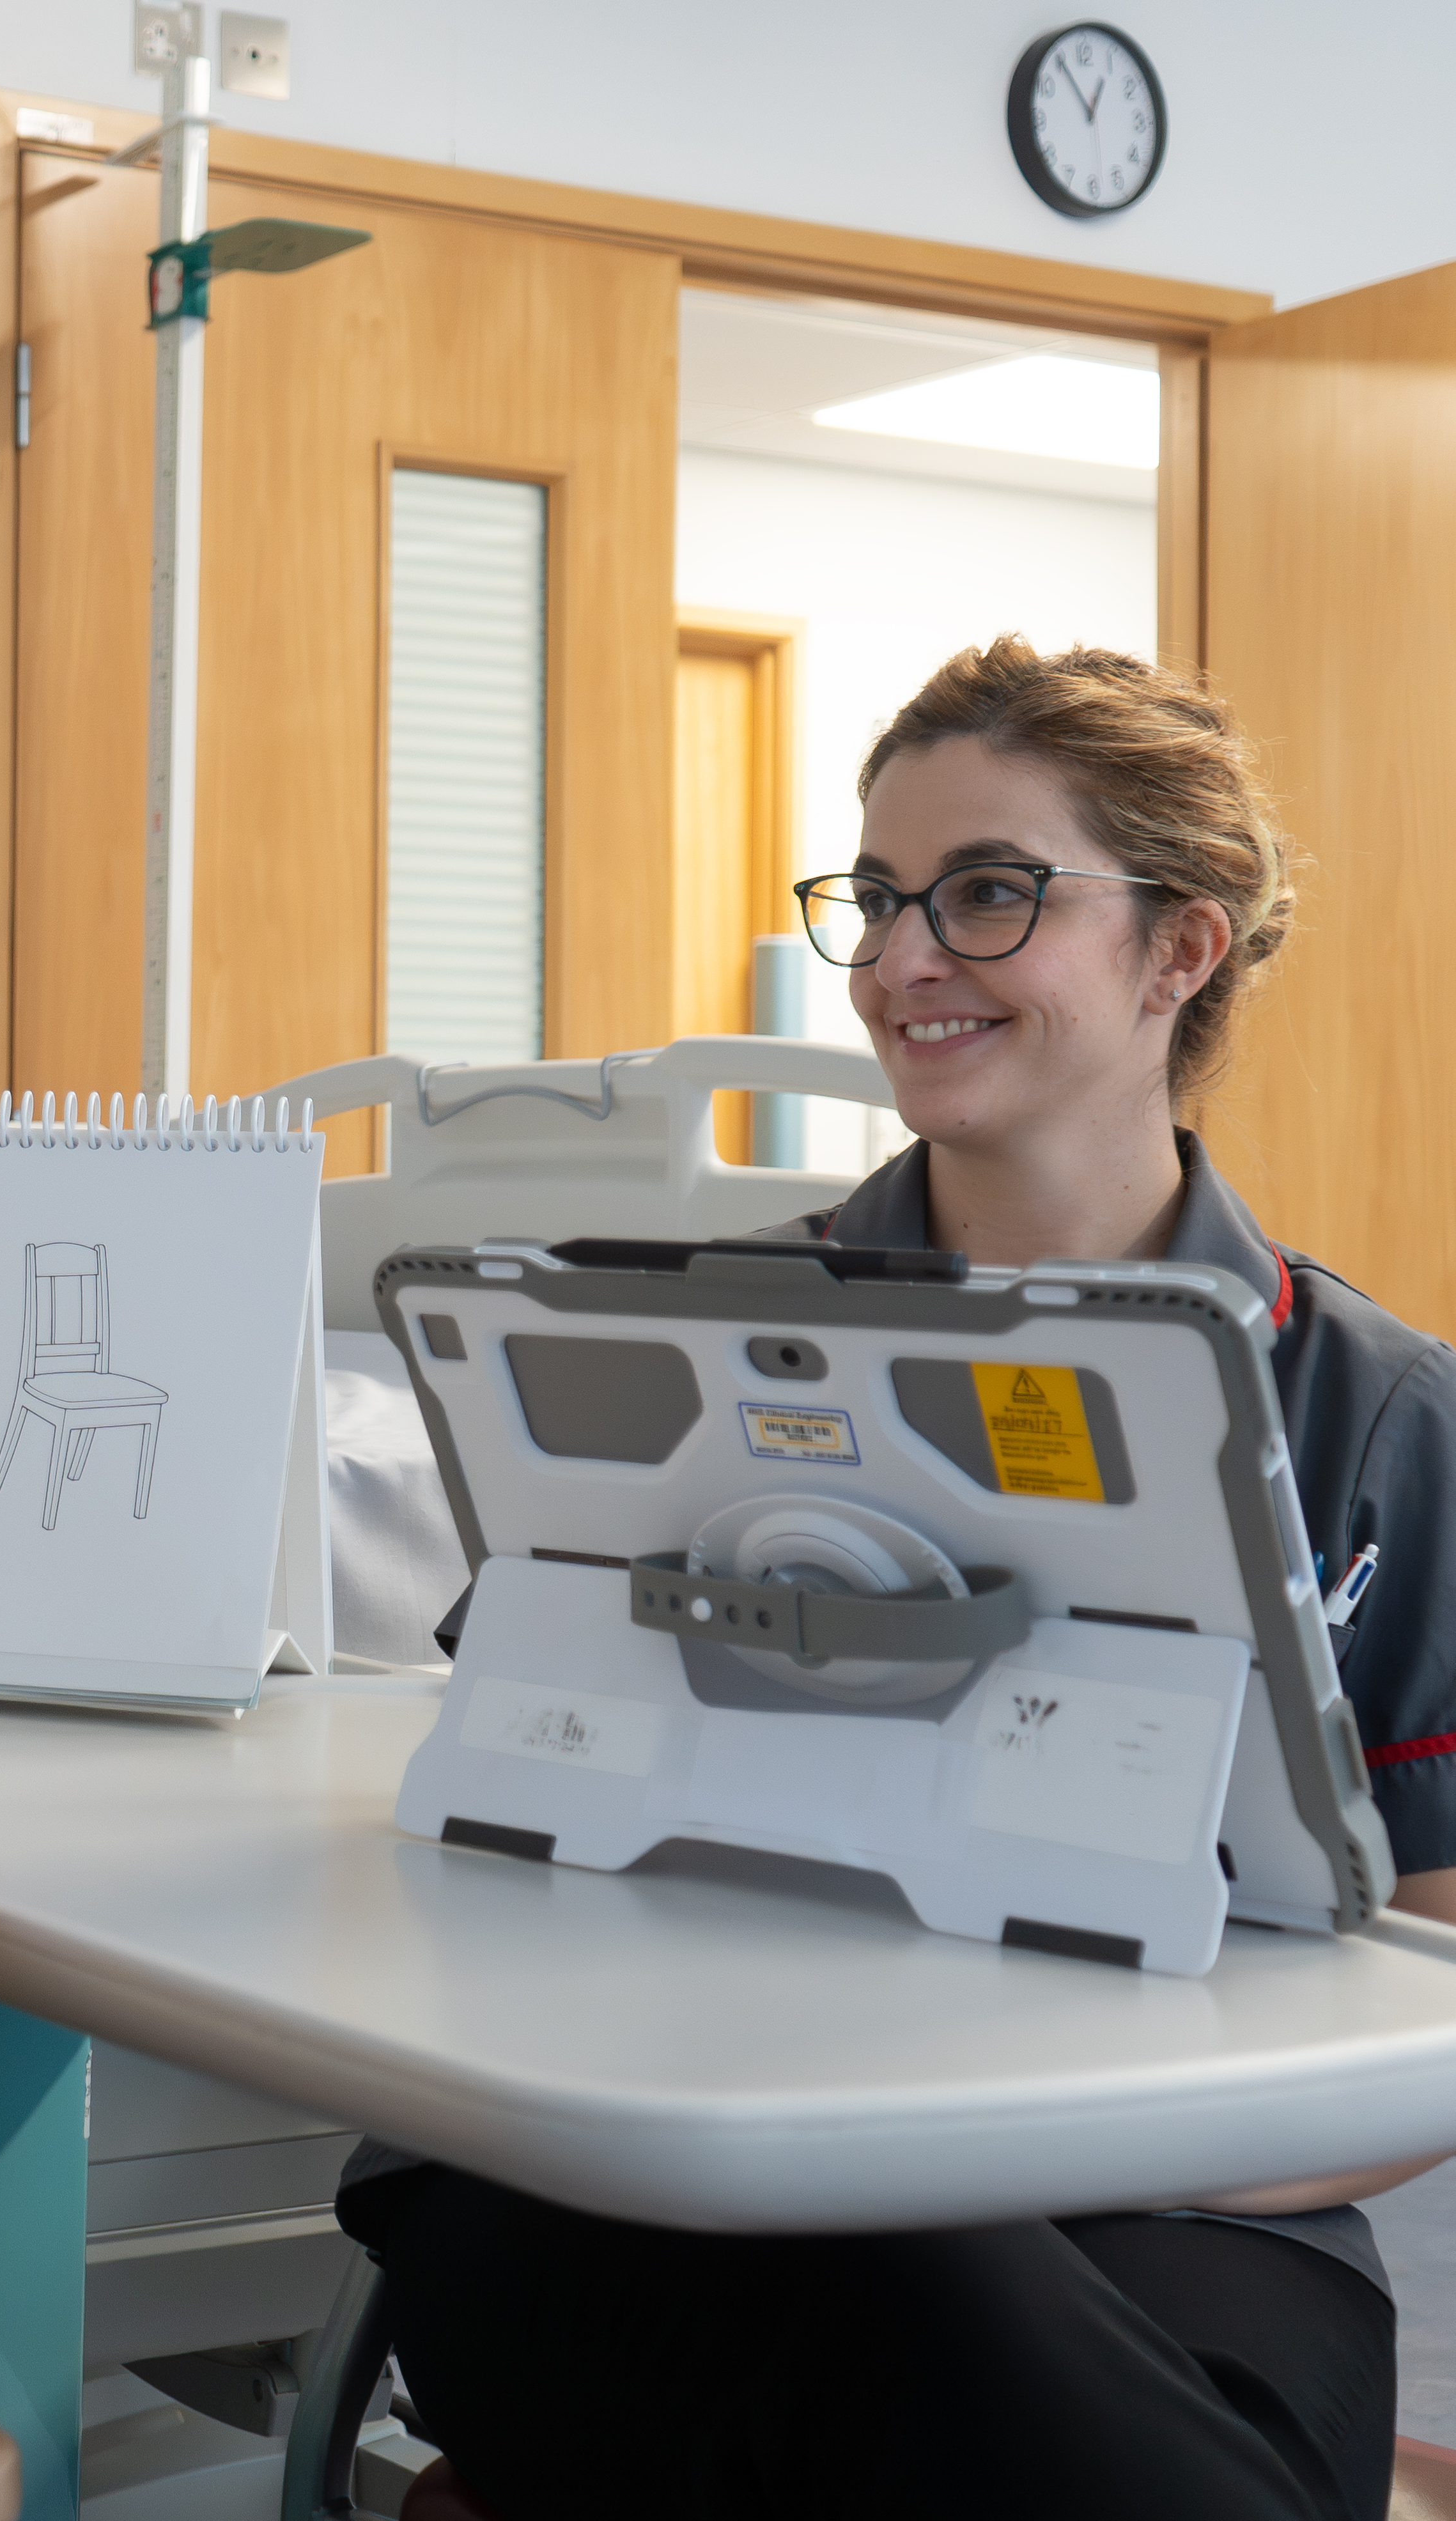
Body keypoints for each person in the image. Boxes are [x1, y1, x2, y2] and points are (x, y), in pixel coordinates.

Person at [343, 638, 1456, 2521]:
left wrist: (1093, 2150)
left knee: (1014, 2373)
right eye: (873, 901)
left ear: (1180, 949)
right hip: (662, 2142)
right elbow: (508, 1798)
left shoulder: (1372, 1412)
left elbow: (1436, 1974)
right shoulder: (679, 1351)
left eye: (987, 895)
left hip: (1171, 2196)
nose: (897, 959)